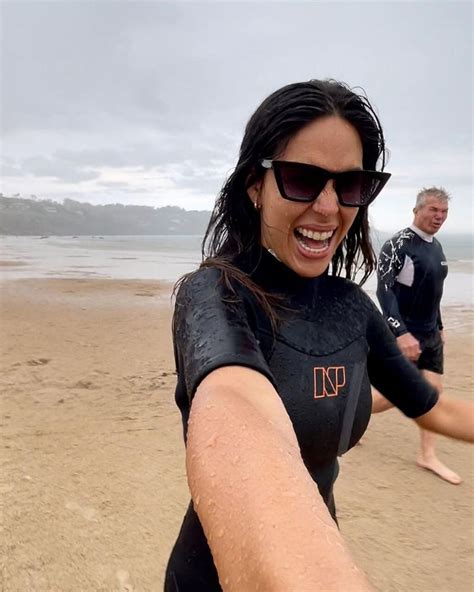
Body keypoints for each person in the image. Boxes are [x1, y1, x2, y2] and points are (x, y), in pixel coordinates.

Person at [165, 80, 473, 591]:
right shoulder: (215, 295)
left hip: (322, 542)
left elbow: (434, 407)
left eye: (349, 185)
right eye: (302, 179)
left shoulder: (353, 308)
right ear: (254, 186)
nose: (329, 208)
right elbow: (237, 414)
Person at [372, 188, 461, 485]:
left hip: (430, 334)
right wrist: (401, 333)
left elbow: (434, 293)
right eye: (433, 210)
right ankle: (351, 414)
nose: (439, 217)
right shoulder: (398, 245)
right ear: (416, 210)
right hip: (405, 335)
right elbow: (385, 291)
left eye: (444, 212)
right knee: (390, 397)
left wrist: (440, 325)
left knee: (432, 394)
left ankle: (427, 455)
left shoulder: (436, 247)